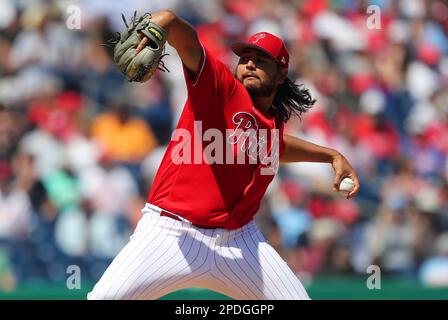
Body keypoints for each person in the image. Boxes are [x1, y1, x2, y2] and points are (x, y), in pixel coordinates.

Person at [88, 10, 360, 300]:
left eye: (261, 60)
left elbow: (275, 145)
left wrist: (330, 155)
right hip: (172, 232)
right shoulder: (219, 88)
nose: (250, 64)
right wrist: (167, 20)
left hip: (239, 240)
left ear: (281, 74)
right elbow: (190, 45)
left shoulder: (270, 121)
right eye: (244, 59)